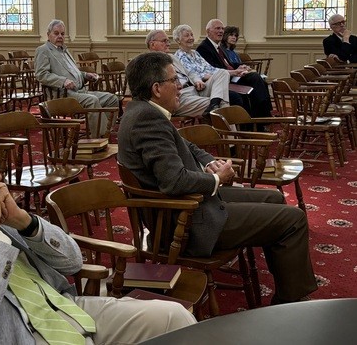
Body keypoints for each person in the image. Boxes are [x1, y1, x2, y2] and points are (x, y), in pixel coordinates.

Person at [0, 118, 196, 344]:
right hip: (22, 334)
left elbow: (72, 263)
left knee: (175, 318)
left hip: (65, 308)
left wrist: (25, 222)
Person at [118, 52, 317, 304]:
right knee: (293, 219)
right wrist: (217, 180)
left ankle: (284, 272)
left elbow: (185, 145)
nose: (180, 85)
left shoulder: (144, 111)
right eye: (174, 80)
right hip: (187, 221)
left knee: (274, 198)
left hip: (189, 206)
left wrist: (210, 162)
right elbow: (174, 181)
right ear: (157, 89)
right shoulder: (147, 119)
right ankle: (289, 302)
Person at [35, 20, 118, 138]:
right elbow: (41, 74)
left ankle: (102, 132)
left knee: (112, 99)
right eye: (56, 33)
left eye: (62, 34)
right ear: (48, 35)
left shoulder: (64, 50)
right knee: (92, 100)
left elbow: (73, 72)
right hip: (62, 95)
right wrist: (63, 81)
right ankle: (100, 137)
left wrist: (86, 75)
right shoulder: (43, 50)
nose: (60, 36)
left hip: (79, 91)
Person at [146, 29, 234, 121]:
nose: (168, 44)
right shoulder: (150, 64)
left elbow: (189, 73)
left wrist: (197, 80)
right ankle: (217, 109)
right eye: (164, 41)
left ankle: (214, 104)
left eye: (168, 41)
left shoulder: (172, 58)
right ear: (152, 44)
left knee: (223, 73)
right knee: (222, 103)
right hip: (180, 96)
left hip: (195, 88)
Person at [197, 19, 272, 118]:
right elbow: (212, 69)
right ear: (208, 31)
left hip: (231, 76)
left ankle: (263, 114)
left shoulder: (218, 46)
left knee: (260, 81)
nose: (221, 31)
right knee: (254, 78)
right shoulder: (204, 47)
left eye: (222, 29)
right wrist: (235, 72)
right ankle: (263, 116)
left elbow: (227, 63)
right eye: (217, 28)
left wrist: (240, 66)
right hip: (222, 81)